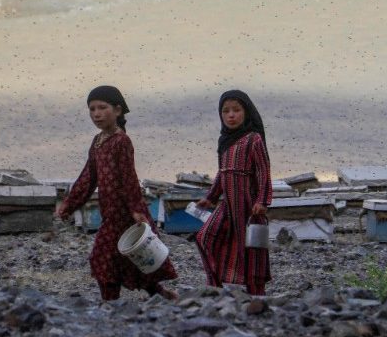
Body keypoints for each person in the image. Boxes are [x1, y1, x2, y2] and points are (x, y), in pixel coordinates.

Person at [56, 85, 178, 301]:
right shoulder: (98, 142)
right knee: (131, 258)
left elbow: (129, 177)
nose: (96, 114)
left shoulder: (122, 141)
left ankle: (110, 304)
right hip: (109, 213)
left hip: (125, 213)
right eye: (92, 109)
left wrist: (136, 209)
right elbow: (88, 177)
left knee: (102, 258)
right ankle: (158, 294)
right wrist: (70, 204)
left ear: (118, 110)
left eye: (102, 107)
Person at [195, 90, 273, 295]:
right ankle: (214, 286)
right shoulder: (224, 141)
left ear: (246, 112)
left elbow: (264, 170)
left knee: (252, 249)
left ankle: (257, 294)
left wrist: (263, 200)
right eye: (225, 111)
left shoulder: (253, 139)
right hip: (228, 206)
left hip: (250, 207)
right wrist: (210, 197)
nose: (231, 115)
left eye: (236, 110)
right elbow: (222, 173)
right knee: (204, 238)